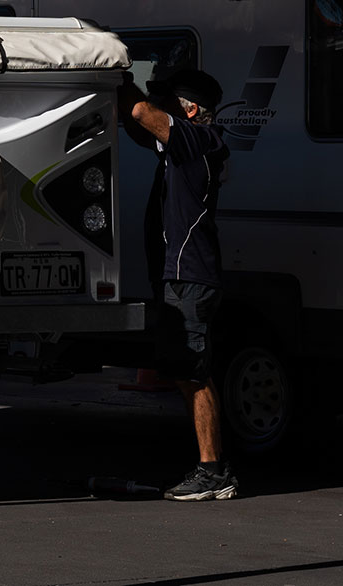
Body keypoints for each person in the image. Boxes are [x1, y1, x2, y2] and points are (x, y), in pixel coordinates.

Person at [119, 67, 235, 501]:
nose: (162, 110)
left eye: (170, 103)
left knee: (194, 372)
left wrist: (123, 78)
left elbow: (140, 112)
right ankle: (211, 466)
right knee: (185, 372)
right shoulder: (180, 146)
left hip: (192, 274)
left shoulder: (202, 139)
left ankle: (214, 471)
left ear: (188, 110)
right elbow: (136, 120)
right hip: (179, 274)